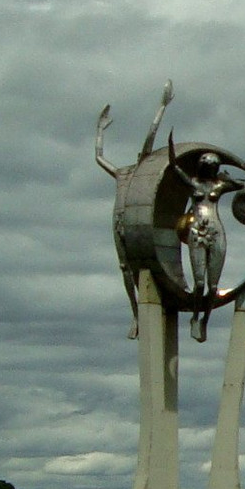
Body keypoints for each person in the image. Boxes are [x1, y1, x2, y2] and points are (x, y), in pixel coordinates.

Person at [95, 81, 173, 338]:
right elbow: (98, 156)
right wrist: (100, 130)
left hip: (135, 221)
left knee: (139, 269)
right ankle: (135, 315)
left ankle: (147, 310)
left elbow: (150, 136)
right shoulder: (121, 173)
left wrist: (161, 107)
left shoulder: (138, 171)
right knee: (124, 268)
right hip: (117, 221)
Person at [168, 131, 244, 342]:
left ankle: (205, 322)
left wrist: (228, 179)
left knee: (212, 287)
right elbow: (175, 168)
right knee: (199, 284)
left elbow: (239, 186)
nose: (210, 167)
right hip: (197, 232)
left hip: (216, 231)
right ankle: (195, 317)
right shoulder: (193, 183)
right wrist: (171, 148)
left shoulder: (218, 185)